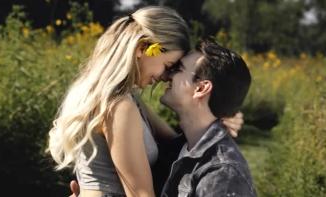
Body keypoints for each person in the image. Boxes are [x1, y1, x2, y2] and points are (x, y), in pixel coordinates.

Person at [48, 6, 243, 197]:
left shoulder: (123, 98)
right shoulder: (119, 106)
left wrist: (215, 124)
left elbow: (174, 143)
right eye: (168, 66)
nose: (166, 77)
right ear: (142, 48)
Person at [159, 38, 257, 196]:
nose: (168, 74)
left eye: (179, 69)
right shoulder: (179, 148)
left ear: (201, 88)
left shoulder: (222, 174)